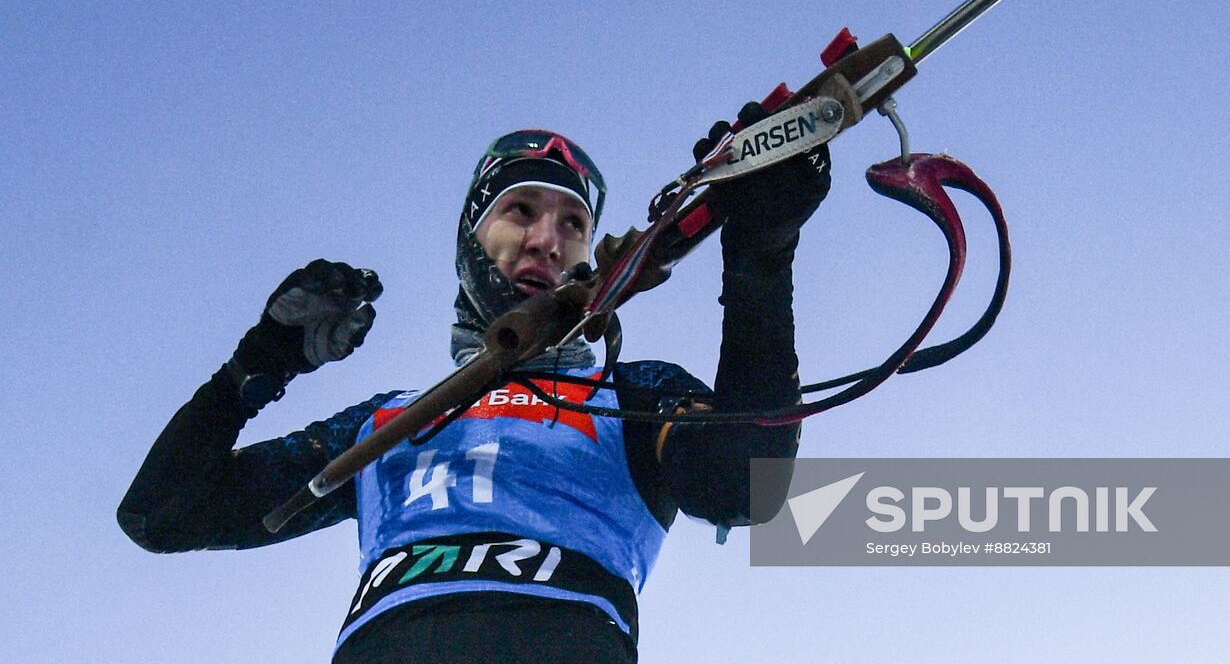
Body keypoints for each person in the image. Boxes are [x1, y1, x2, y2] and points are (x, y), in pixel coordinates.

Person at [118, 116, 830, 663]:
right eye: (521, 210)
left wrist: (761, 255)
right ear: (471, 237)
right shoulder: (383, 423)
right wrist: (257, 363)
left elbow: (746, 487)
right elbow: (163, 515)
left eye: (574, 224)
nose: (549, 240)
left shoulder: (630, 395)